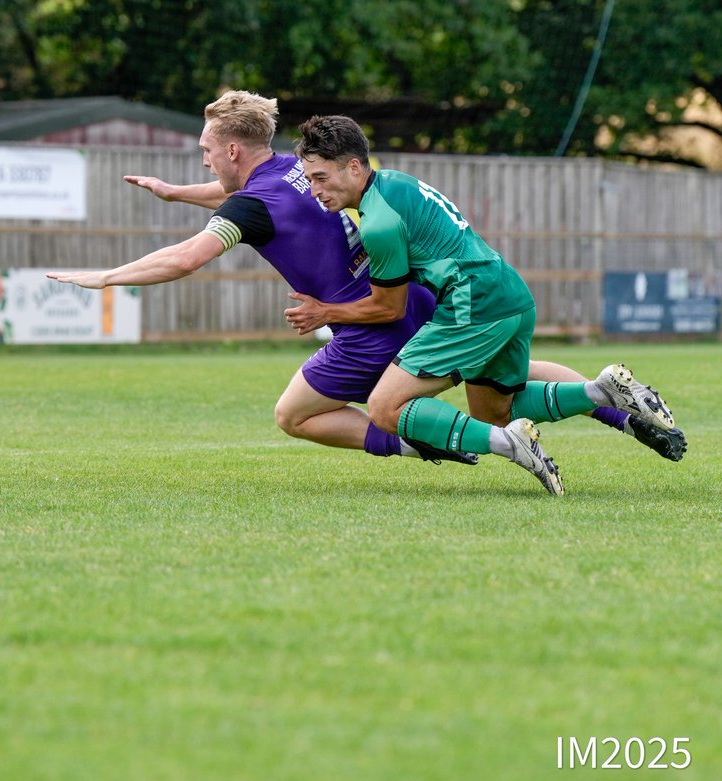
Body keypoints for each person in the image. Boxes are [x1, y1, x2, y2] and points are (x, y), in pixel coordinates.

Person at [48, 91, 686, 475]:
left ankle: (421, 446)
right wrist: (175, 193)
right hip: (426, 300)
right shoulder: (299, 173)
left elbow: (189, 257)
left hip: (369, 323)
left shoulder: (251, 207)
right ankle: (618, 409)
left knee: (293, 415)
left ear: (234, 151)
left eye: (206, 150)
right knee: (498, 382)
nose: (204, 159)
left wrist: (106, 276)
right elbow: (241, 196)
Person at [292, 114, 682, 494]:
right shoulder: (397, 182)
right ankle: (601, 391)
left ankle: (508, 444)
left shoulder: (378, 222)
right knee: (494, 410)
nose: (314, 190)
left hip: (471, 304)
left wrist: (324, 312)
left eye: (321, 178)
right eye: (309, 180)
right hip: (510, 293)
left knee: (384, 408)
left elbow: (388, 308)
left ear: (355, 167)